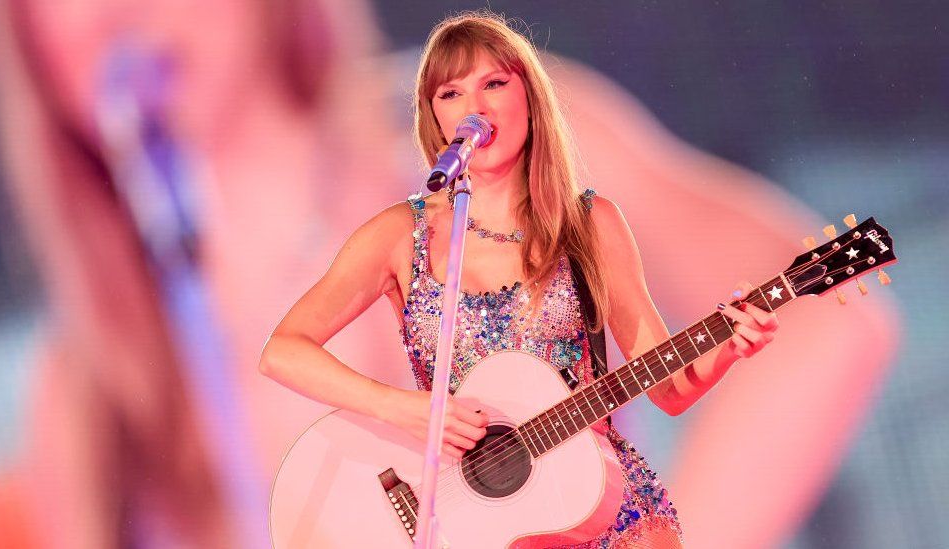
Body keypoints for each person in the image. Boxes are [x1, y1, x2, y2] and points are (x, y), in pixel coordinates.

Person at [259, 12, 780, 548]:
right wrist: (403, 408)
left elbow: (669, 388)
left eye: (493, 84)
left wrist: (728, 348)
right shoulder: (399, 235)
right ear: (433, 117)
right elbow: (283, 351)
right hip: (475, 527)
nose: (474, 109)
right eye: (451, 93)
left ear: (529, 96)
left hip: (603, 513)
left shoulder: (590, 225)